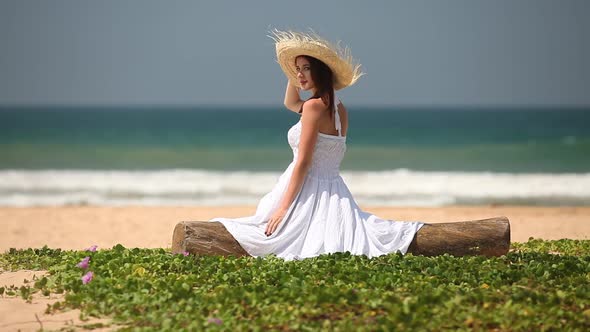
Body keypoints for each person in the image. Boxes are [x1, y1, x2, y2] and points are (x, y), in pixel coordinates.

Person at [209, 29, 424, 261]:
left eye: (306, 69)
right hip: (334, 189)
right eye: (297, 69)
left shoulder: (313, 108)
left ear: (320, 71)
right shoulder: (338, 108)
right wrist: (293, 75)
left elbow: (304, 161)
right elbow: (290, 102)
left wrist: (283, 208)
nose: (299, 75)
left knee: (269, 236)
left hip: (307, 190)